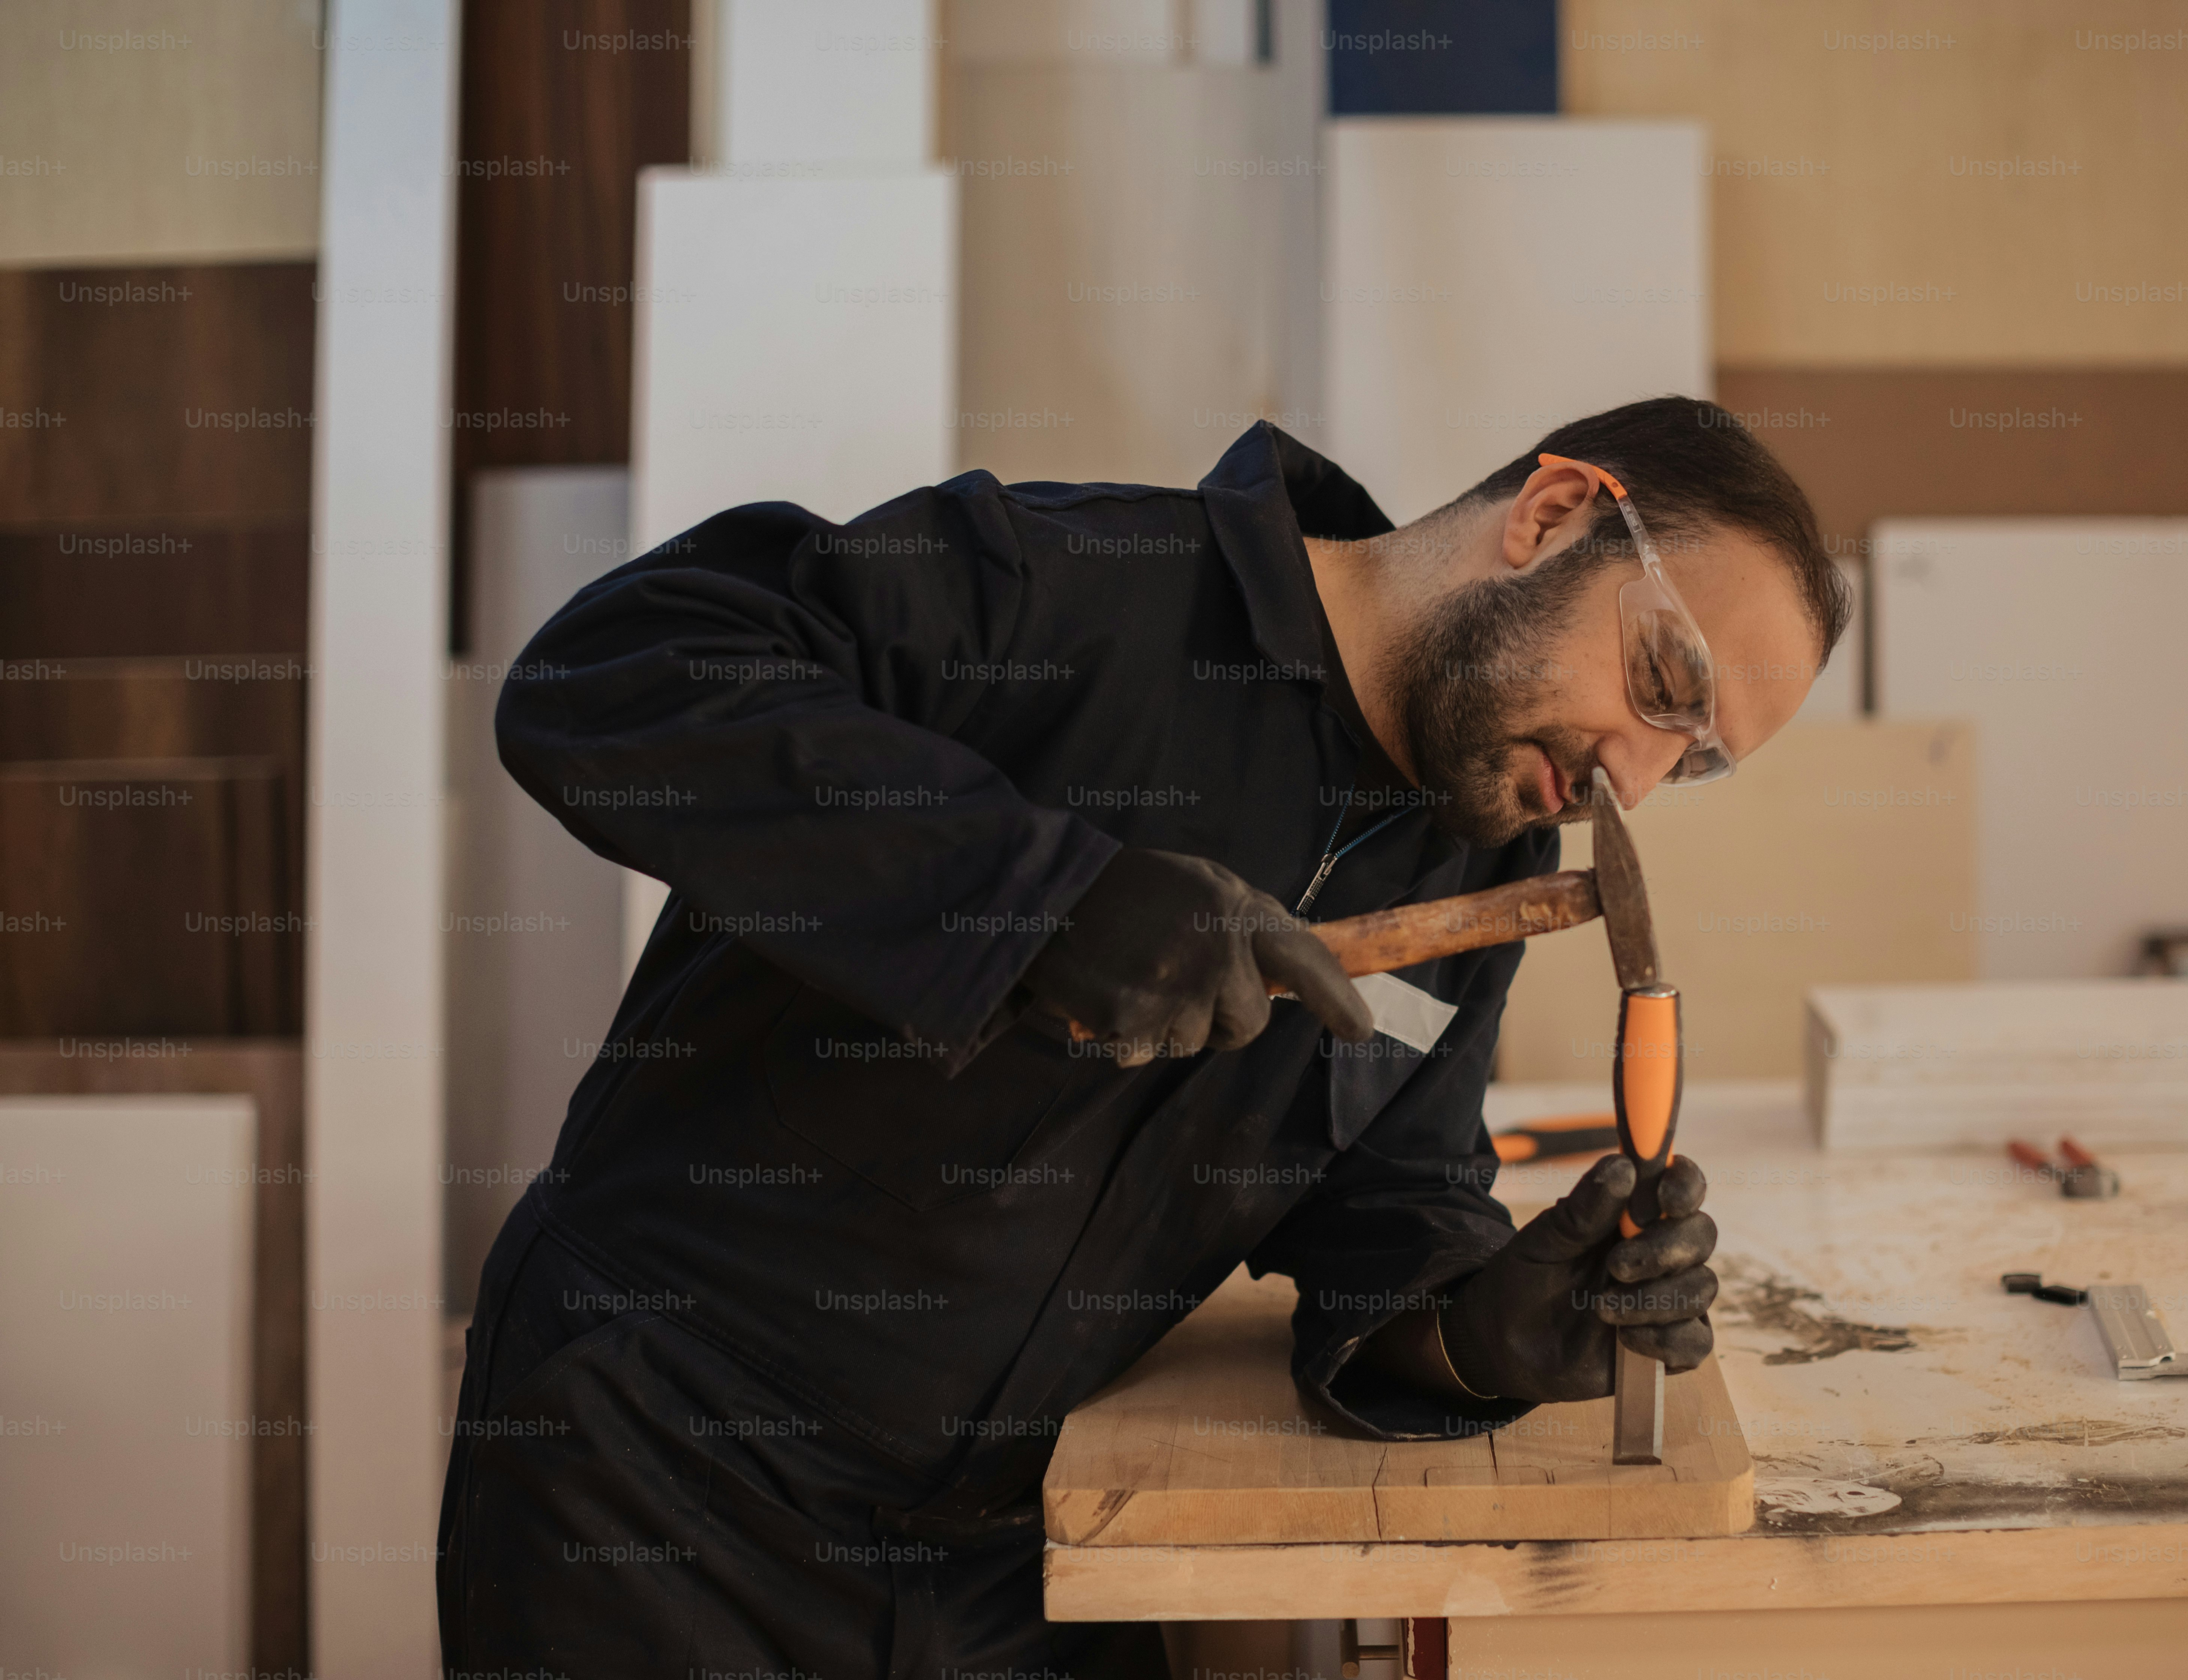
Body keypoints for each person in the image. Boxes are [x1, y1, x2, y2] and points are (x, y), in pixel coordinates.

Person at [437, 398, 1850, 1674]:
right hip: (655, 1478)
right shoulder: (1079, 585)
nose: (1642, 780)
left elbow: (1387, 1199)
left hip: (1017, 1546)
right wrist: (1037, 900)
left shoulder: (1481, 871)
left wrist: (1475, 1334)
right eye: (1665, 682)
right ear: (1549, 516)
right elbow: (612, 672)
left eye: (1699, 758)